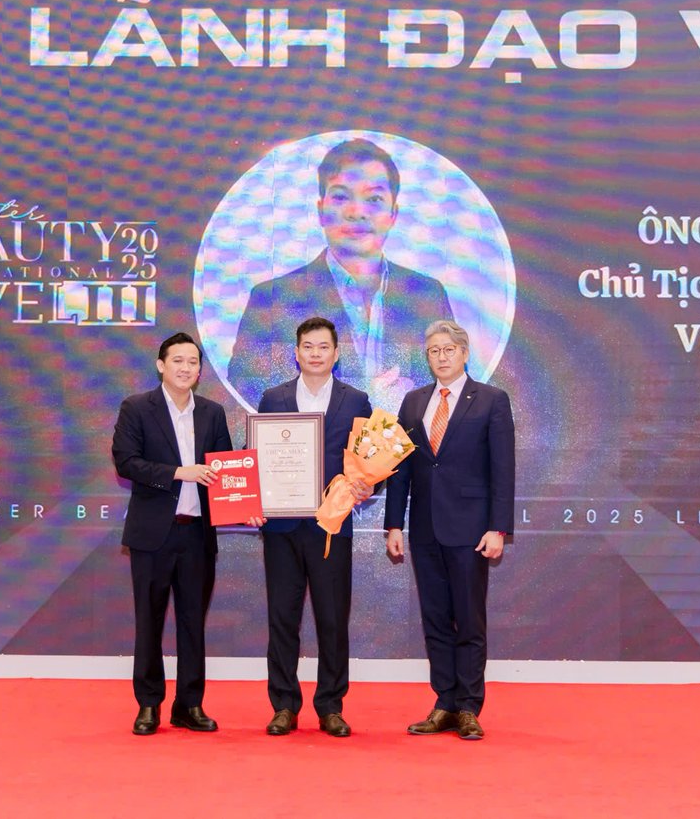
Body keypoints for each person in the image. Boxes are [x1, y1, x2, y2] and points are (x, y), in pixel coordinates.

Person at [228, 138, 454, 412]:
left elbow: (452, 385)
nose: (357, 212)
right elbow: (247, 395)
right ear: (320, 211)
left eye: (374, 199)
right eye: (341, 197)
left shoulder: (427, 295)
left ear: (393, 214)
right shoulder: (273, 299)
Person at [384, 319, 514, 741]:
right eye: (434, 351)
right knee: (436, 619)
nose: (441, 357)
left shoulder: (491, 400)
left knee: (469, 620)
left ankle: (469, 707)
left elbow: (503, 470)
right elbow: (400, 469)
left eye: (448, 350)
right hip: (424, 529)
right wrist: (393, 524)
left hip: (471, 530)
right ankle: (444, 702)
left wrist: (498, 528)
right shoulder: (412, 402)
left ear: (464, 354)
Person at [256, 316, 373, 737]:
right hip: (281, 528)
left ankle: (330, 706)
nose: (316, 354)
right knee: (282, 619)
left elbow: (367, 460)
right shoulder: (273, 398)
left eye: (324, 347)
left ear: (336, 353)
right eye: (308, 346)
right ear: (296, 352)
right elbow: (257, 456)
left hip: (331, 526)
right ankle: (284, 705)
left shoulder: (356, 400)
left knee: (332, 619)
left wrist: (367, 484)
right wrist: (253, 499)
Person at [111, 332, 232, 735]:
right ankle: (149, 705)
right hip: (153, 535)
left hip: (197, 535)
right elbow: (126, 461)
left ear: (200, 370)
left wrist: (244, 505)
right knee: (149, 621)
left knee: (192, 623)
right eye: (178, 360)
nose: (186, 368)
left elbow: (226, 470)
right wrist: (180, 472)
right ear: (161, 365)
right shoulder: (136, 408)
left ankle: (189, 705)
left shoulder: (212, 413)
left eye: (193, 362)